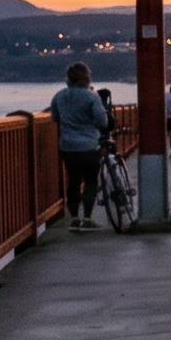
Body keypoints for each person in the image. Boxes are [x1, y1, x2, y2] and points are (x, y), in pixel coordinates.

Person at [49, 63, 114, 231]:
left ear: (68, 78)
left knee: (74, 180)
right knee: (91, 180)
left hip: (68, 146)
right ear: (87, 77)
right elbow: (101, 121)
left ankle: (74, 219)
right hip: (89, 146)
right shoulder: (92, 96)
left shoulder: (59, 96)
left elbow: (54, 117)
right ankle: (87, 217)